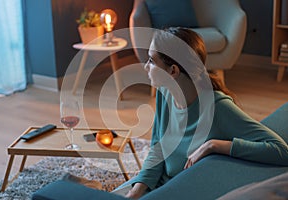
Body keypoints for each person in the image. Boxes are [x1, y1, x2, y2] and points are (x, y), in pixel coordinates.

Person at [112, 27, 288, 199]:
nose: (145, 67)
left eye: (151, 61)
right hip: (158, 182)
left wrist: (215, 145)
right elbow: (157, 150)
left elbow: (281, 151)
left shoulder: (218, 108)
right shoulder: (164, 93)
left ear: (173, 71)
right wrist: (136, 192)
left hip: (181, 189)